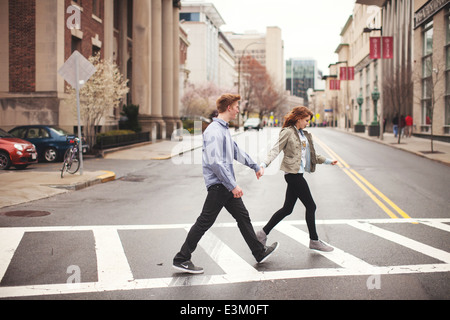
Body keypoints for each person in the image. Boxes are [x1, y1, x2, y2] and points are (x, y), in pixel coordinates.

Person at [173, 93, 279, 274]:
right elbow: (215, 163)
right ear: (229, 107)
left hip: (224, 185)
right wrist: (232, 186)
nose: (238, 110)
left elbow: (236, 151)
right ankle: (182, 258)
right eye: (237, 106)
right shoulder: (214, 130)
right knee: (204, 221)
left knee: (242, 217)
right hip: (219, 185)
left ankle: (259, 252)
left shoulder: (223, 129)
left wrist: (254, 166)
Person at [256, 106, 338, 252]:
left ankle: (261, 234)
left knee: (287, 209)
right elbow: (276, 149)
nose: (308, 123)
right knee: (311, 206)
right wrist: (263, 165)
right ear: (299, 118)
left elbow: (312, 156)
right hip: (293, 175)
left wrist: (328, 160)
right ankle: (314, 240)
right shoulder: (287, 132)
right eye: (306, 120)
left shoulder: (304, 135)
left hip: (298, 174)